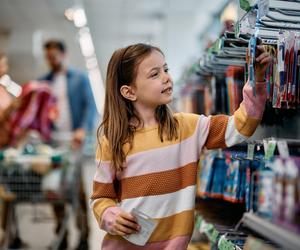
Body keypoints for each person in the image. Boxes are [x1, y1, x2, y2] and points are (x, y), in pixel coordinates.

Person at [90, 43, 272, 249]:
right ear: (129, 92)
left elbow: (241, 126)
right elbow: (101, 197)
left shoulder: (188, 128)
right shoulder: (113, 141)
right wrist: (109, 215)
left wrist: (256, 79)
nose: (166, 77)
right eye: (154, 74)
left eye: (165, 69)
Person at [40, 40, 97, 250]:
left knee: (76, 191)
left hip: (74, 143)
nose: (52, 60)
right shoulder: (44, 82)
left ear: (63, 55)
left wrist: (83, 129)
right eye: (48, 57)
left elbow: (90, 107)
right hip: (52, 143)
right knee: (53, 190)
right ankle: (61, 236)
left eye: (54, 55)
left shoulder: (79, 79)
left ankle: (83, 237)